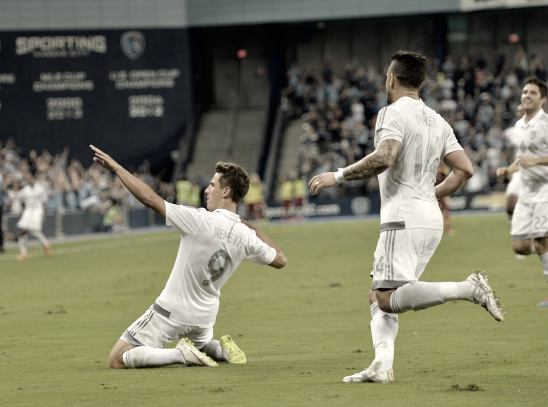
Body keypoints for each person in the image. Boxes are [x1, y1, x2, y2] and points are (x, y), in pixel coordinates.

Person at [309, 51, 504, 384]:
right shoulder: (438, 120)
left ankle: (467, 288)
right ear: (422, 83)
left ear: (391, 80)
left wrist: (338, 176)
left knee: (386, 298)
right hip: (430, 219)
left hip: (402, 219)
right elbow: (466, 169)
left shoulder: (392, 112)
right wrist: (431, 195)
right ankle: (382, 365)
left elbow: (385, 157)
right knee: (378, 293)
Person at [90, 145, 287, 369]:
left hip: (172, 311)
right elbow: (281, 260)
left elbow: (150, 199)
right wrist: (251, 228)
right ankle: (221, 350)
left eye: (212, 185)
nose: (206, 190)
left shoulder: (199, 220)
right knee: (202, 345)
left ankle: (180, 355)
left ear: (226, 192)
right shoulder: (246, 236)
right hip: (204, 319)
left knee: (117, 358)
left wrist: (116, 168)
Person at [496, 77, 548, 307]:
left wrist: (537, 161)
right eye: (525, 91)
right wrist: (508, 170)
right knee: (519, 246)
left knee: (540, 243)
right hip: (527, 193)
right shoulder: (520, 125)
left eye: (533, 93)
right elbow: (523, 159)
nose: (527, 95)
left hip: (546, 192)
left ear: (543, 99)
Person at [16, 171, 51, 260]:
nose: (28, 179)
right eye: (26, 178)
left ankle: (46, 244)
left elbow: (44, 202)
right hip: (28, 211)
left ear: (33, 177)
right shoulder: (25, 190)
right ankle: (23, 253)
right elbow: (21, 201)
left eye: (29, 177)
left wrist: (44, 214)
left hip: (37, 211)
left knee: (33, 230)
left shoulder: (40, 188)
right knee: (22, 230)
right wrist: (22, 212)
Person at [435, 163, 455, 235]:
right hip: (432, 193)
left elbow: (447, 180)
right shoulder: (432, 168)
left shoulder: (444, 168)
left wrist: (447, 194)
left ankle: (448, 228)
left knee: (446, 209)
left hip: (441, 192)